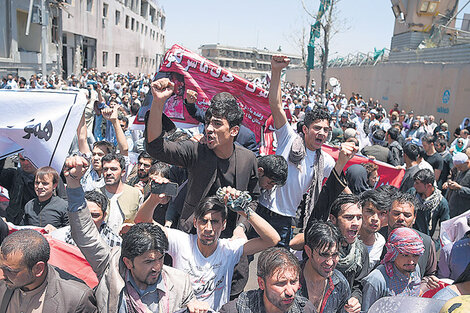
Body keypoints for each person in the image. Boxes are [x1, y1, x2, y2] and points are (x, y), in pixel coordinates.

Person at [63, 155, 202, 313]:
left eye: (160, 258)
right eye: (148, 262)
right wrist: (74, 184)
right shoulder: (111, 267)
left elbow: (192, 304)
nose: (157, 267)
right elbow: (85, 234)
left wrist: (196, 307)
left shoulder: (180, 282)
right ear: (128, 262)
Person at [145, 78, 259, 238]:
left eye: (217, 124)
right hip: (191, 235)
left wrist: (241, 228)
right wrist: (158, 102)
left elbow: (253, 198)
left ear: (234, 131)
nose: (209, 129)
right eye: (207, 123)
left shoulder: (248, 159)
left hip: (229, 242)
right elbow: (156, 148)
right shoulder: (195, 150)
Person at [135, 185, 280, 310]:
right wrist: (154, 198)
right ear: (195, 222)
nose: (209, 228)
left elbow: (272, 239)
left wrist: (245, 211)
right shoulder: (181, 242)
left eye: (215, 222)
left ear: (223, 225)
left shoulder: (229, 249)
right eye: (204, 221)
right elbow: (142, 222)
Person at [261, 54, 356, 246]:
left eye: (326, 130)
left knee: (279, 268)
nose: (321, 133)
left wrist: (357, 208)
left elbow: (342, 187)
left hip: (286, 220)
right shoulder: (287, 138)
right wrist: (276, 71)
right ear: (305, 129)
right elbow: (275, 104)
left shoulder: (326, 161)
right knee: (242, 260)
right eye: (317, 128)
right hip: (261, 209)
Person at [0, 229, 97, 312]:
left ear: (38, 269)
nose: (2, 275)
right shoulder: (3, 283)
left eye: (10, 271)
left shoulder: (76, 298)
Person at [219, 247, 315, 313]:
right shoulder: (234, 310)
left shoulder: (305, 309)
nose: (290, 292)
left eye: (293, 282)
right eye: (281, 283)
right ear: (261, 283)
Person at [361, 227, 425, 312]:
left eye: (415, 255)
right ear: (393, 253)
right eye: (405, 255)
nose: (411, 261)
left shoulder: (415, 268)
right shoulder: (377, 280)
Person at [380, 192, 438, 279]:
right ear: (388, 214)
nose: (401, 218)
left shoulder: (426, 242)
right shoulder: (376, 239)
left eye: (407, 215)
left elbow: (430, 275)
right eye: (396, 214)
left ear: (414, 218)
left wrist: (421, 288)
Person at [328, 193, 369, 312]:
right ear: (333, 219)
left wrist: (355, 299)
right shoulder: (322, 248)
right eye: (349, 217)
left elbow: (358, 284)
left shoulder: (361, 250)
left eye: (359, 217)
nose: (356, 223)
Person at [300, 220, 351, 313]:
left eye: (335, 255)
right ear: (308, 252)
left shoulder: (340, 284)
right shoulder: (289, 280)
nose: (330, 262)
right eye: (324, 255)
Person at [0, 154, 66, 224]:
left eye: (29, 159)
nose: (25, 163)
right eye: (22, 160)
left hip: (47, 223)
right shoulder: (12, 175)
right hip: (17, 222)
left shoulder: (51, 176)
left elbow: (65, 204)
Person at [50, 190, 122, 248]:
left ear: (104, 216)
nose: (89, 220)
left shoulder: (116, 244)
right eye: (84, 214)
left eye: (95, 215)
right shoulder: (58, 239)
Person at [99, 152, 143, 234]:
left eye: (113, 169)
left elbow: (142, 222)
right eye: (105, 169)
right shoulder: (96, 194)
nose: (108, 173)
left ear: (123, 172)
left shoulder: (136, 194)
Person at [408, 169, 450, 238]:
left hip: (425, 242)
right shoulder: (411, 193)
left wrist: (435, 245)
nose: (414, 186)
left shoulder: (440, 202)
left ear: (429, 186)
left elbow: (445, 228)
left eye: (417, 183)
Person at [359, 189, 388, 269]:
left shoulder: (381, 242)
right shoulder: (348, 239)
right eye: (370, 211)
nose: (375, 218)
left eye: (381, 213)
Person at [443, 152, 470, 218]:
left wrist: (459, 188)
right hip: (454, 209)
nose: (458, 169)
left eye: (460, 167)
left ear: (467, 163)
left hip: (464, 212)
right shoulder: (460, 171)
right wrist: (449, 183)